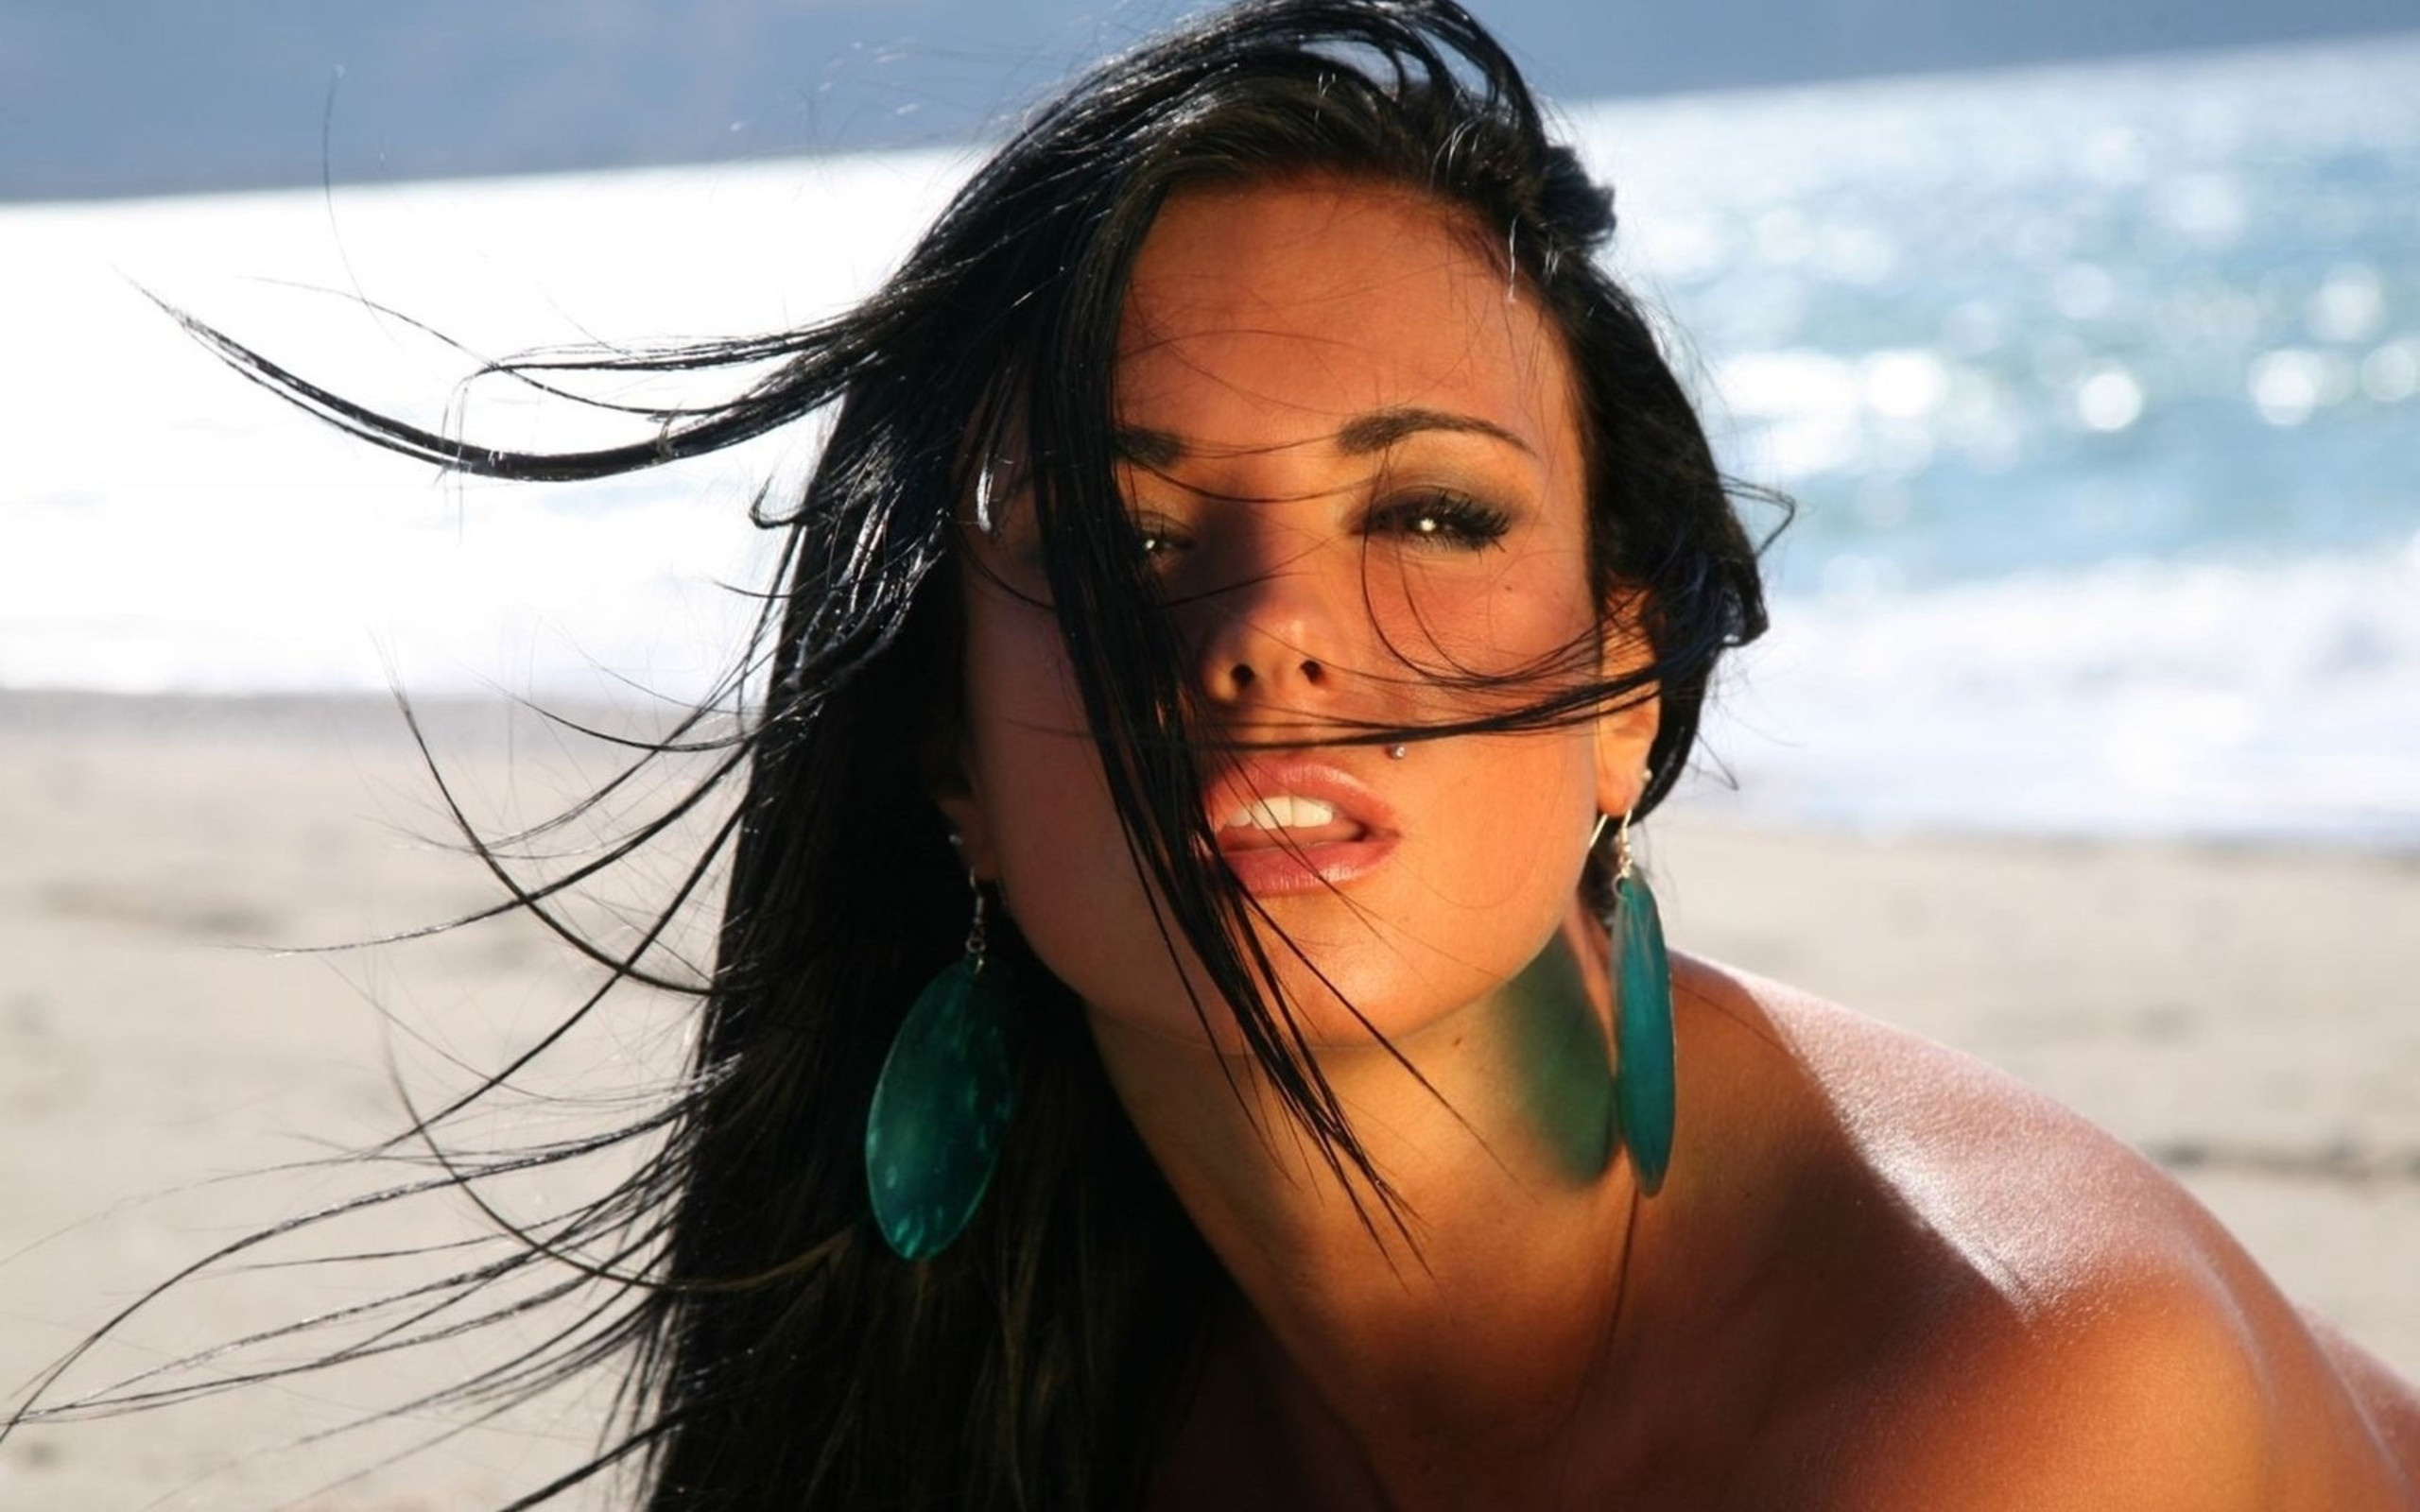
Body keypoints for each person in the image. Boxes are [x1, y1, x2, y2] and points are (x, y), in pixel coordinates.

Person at [28, 0, 2420, 1506]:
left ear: (1622, 691)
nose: (1268, 633)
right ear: (948, 755)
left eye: (1431, 513)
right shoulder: (1054, 1372)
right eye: (1119, 535)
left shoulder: (2008, 1394)